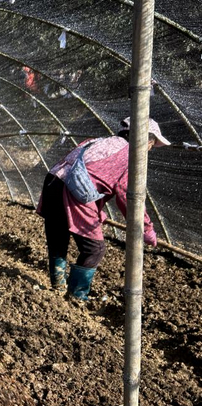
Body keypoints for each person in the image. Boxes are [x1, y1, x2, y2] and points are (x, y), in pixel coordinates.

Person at [37, 116, 170, 301]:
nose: (149, 149)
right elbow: (129, 198)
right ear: (143, 138)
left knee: (59, 239)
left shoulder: (98, 141)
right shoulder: (131, 156)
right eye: (151, 143)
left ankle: (58, 286)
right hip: (72, 191)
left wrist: (96, 209)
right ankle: (77, 296)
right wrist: (146, 229)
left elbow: (87, 172)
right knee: (94, 249)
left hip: (53, 182)